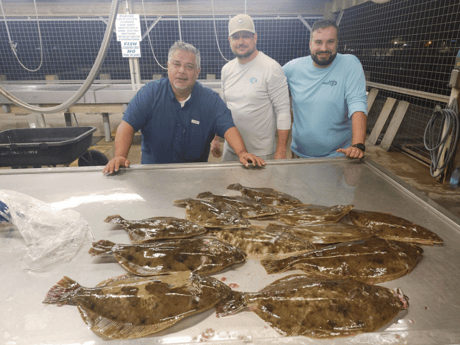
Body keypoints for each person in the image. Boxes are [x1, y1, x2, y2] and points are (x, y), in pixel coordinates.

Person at [103, 41, 265, 175]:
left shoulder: (210, 100)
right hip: (153, 174)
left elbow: (228, 127)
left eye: (189, 66)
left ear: (197, 72)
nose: (182, 71)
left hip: (195, 174)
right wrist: (119, 156)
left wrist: (242, 152)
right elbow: (127, 125)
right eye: (177, 64)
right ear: (168, 66)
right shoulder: (150, 93)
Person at [283, 19, 368, 159]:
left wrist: (358, 145)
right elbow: (268, 87)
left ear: (337, 43)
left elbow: (357, 103)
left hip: (339, 155)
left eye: (330, 41)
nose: (324, 48)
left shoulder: (350, 64)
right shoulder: (293, 68)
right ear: (310, 44)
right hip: (299, 154)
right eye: (318, 42)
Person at [211, 14, 291, 161]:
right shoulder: (227, 70)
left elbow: (283, 111)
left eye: (246, 36)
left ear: (255, 38)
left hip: (261, 152)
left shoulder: (271, 68)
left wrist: (280, 151)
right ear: (230, 41)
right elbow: (222, 108)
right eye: (236, 37)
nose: (241, 42)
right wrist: (215, 138)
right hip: (231, 149)